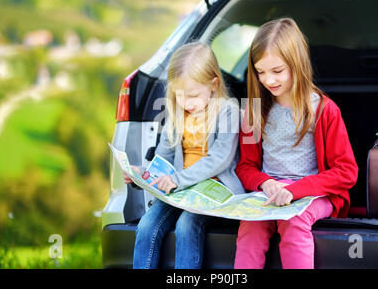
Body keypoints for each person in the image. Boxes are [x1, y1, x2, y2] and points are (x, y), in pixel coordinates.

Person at [234, 18, 359, 269]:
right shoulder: (252, 112)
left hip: (312, 195)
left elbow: (347, 172)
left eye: (277, 71)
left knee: (294, 220)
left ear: (297, 63)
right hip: (268, 194)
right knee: (250, 225)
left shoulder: (324, 110)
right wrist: (266, 183)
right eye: (260, 71)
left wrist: (295, 190)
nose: (269, 80)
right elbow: (245, 166)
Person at [124, 41, 245, 269]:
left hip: (215, 190)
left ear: (213, 85)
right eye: (179, 96)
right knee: (147, 225)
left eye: (192, 95)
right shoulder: (177, 114)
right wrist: (143, 175)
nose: (186, 103)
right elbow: (164, 157)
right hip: (181, 190)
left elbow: (221, 158)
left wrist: (178, 180)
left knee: (187, 224)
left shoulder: (228, 112)